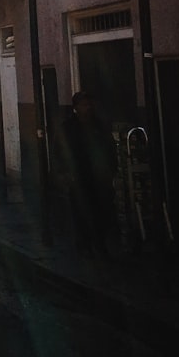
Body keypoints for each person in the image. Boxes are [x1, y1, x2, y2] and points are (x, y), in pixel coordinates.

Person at [58, 91, 118, 259]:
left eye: (89, 104)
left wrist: (111, 170)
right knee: (80, 211)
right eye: (83, 105)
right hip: (78, 176)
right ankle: (84, 244)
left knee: (100, 211)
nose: (87, 108)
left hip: (98, 177)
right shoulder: (68, 128)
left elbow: (110, 148)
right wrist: (64, 172)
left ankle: (99, 244)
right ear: (76, 108)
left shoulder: (99, 126)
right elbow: (60, 150)